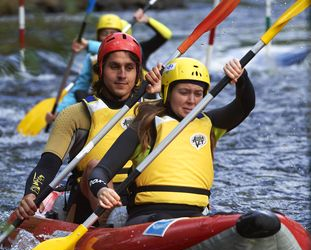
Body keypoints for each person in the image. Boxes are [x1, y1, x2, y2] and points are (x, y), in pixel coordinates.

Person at [88, 57, 256, 226]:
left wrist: (242, 78)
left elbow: (245, 104)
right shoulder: (145, 125)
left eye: (198, 94)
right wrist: (101, 189)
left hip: (195, 218)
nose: (191, 100)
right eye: (183, 92)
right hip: (148, 217)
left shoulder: (210, 124)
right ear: (167, 91)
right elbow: (101, 171)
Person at [15, 33, 156, 225]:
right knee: (93, 166)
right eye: (114, 66)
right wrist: (31, 194)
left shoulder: (153, 111)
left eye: (129, 68)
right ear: (100, 69)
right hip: (88, 206)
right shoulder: (75, 114)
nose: (122, 75)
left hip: (139, 202)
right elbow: (49, 164)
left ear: (137, 72)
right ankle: (111, 226)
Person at [46, 9, 172, 123]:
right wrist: (60, 112)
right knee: (80, 93)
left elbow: (166, 35)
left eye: (129, 67)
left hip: (139, 97)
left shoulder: (137, 49)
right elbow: (79, 87)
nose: (108, 37)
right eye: (104, 33)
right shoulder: (91, 58)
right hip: (107, 99)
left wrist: (147, 20)